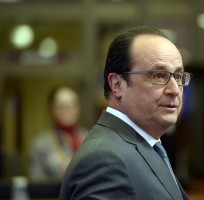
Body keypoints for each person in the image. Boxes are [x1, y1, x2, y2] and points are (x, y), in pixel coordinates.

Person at [59, 25, 192, 200]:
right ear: (117, 85)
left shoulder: (143, 146)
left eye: (178, 76)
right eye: (159, 75)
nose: (175, 89)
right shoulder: (104, 160)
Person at [29, 86, 87, 181]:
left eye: (72, 105)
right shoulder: (40, 145)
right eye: (62, 106)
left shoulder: (90, 138)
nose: (68, 110)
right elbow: (37, 184)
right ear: (52, 109)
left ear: (78, 108)